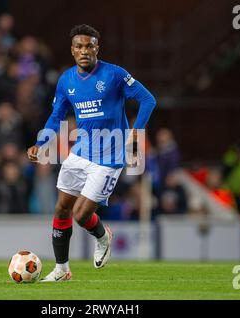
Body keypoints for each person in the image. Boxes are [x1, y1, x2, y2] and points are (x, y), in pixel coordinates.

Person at [27, 24, 156, 281]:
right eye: (79, 46)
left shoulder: (114, 74)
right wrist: (41, 144)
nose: (84, 51)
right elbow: (56, 116)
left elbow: (148, 99)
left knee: (81, 214)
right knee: (62, 208)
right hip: (81, 151)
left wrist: (135, 133)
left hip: (110, 157)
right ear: (72, 50)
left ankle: (102, 236)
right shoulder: (66, 81)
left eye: (89, 45)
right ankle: (62, 270)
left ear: (97, 47)